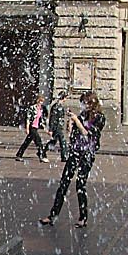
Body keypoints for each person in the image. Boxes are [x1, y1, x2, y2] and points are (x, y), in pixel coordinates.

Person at [40, 91, 105, 228]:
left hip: (87, 154)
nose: (83, 105)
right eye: (82, 103)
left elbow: (88, 134)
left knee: (80, 184)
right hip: (76, 152)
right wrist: (71, 125)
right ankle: (52, 215)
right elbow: (74, 135)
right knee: (63, 183)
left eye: (85, 103)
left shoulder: (100, 118)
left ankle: (83, 217)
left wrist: (77, 121)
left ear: (92, 103)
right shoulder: (82, 115)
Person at [15, 94, 48, 161]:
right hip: (32, 127)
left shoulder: (41, 109)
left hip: (36, 127)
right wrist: (27, 128)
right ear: (37, 101)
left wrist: (44, 127)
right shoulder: (32, 108)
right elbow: (28, 118)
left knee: (27, 142)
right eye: (40, 101)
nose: (41, 103)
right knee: (38, 141)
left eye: (42, 101)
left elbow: (40, 119)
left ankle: (19, 155)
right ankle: (42, 155)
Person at [48, 91, 70, 162]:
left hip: (60, 126)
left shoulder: (61, 106)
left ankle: (42, 151)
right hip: (56, 127)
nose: (65, 99)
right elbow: (52, 118)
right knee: (62, 141)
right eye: (65, 98)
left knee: (53, 141)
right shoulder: (56, 106)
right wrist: (51, 129)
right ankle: (64, 157)